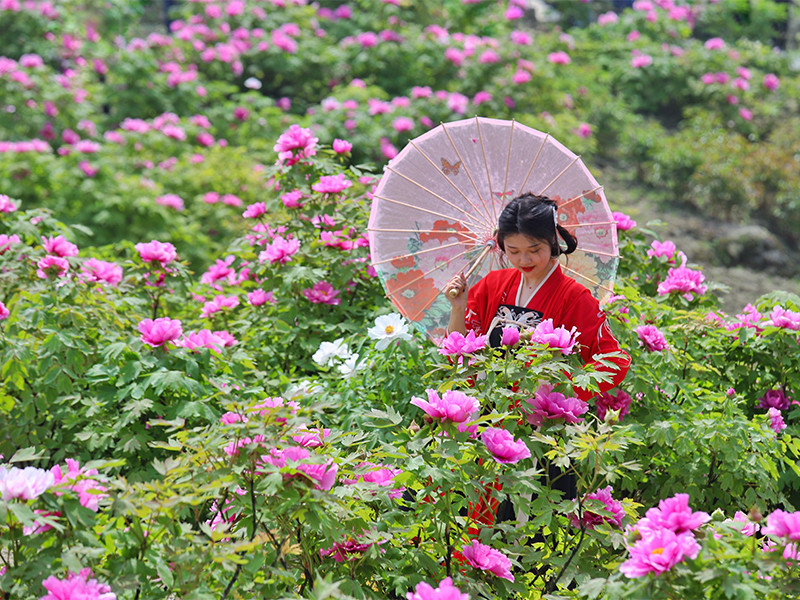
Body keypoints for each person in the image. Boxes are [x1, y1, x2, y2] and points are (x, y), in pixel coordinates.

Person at [443, 192, 630, 401]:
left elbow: (614, 360)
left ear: (552, 241)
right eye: (513, 251)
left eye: (534, 249)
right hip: (484, 409)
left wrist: (557, 389)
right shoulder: (492, 284)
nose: (524, 260)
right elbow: (460, 356)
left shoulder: (575, 297)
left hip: (539, 420)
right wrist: (458, 308)